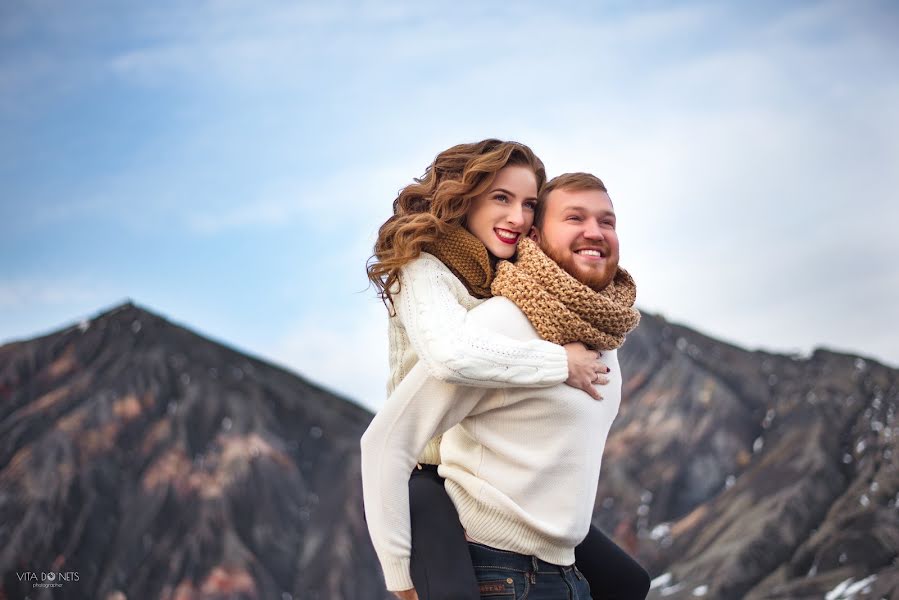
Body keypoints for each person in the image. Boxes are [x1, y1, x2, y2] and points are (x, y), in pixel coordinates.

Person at [362, 173, 650, 600]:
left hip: (567, 575)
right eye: (575, 218)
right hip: (504, 578)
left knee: (631, 584)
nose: (595, 231)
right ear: (533, 236)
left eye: (607, 221)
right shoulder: (500, 324)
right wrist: (402, 580)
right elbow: (386, 439)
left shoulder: (604, 334)